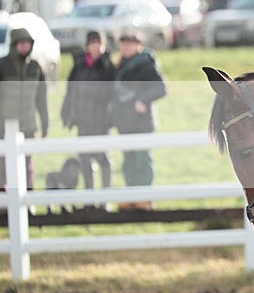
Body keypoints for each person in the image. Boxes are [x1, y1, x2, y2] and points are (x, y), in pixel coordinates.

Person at [110, 33, 167, 210]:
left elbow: (160, 87)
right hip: (125, 122)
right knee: (128, 161)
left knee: (142, 160)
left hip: (141, 122)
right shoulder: (120, 65)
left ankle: (145, 198)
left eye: (130, 44)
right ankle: (131, 196)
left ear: (139, 45)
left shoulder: (145, 63)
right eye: (124, 44)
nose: (126, 47)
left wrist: (143, 100)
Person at [61, 31, 115, 193]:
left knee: (103, 158)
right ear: (87, 46)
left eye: (99, 43)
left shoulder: (108, 66)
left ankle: (106, 196)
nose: (96, 47)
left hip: (101, 120)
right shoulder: (79, 66)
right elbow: (70, 90)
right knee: (85, 159)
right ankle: (89, 197)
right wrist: (67, 113)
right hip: (83, 120)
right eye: (93, 43)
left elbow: (113, 92)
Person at [0, 27, 48, 191]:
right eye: (21, 43)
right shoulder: (2, 65)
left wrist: (45, 122)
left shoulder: (35, 67)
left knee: (28, 164)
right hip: (4, 125)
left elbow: (41, 98)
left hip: (28, 123)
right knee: (3, 165)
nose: (25, 46)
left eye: (28, 43)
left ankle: (29, 202)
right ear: (14, 44)